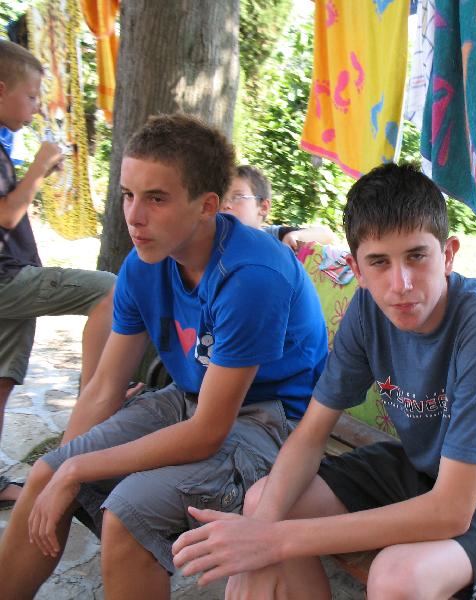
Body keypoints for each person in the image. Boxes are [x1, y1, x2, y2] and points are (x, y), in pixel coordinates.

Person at [172, 162, 476, 599]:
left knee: (396, 576)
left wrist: (272, 541)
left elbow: (451, 511)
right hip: (430, 469)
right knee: (264, 502)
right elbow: (310, 435)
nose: (400, 283)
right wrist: (257, 536)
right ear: (358, 269)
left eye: (416, 256)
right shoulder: (368, 312)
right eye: (379, 262)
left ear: (448, 254)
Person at [0, 113, 329, 599]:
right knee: (46, 474)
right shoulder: (143, 265)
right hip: (189, 397)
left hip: (273, 423)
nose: (134, 216)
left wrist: (78, 469)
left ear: (207, 205)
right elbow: (106, 387)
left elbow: (208, 431)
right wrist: (64, 466)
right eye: (128, 195)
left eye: (156, 198)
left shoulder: (251, 276)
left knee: (129, 513)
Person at [0, 40, 115, 507]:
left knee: (2, 380)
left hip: (12, 277)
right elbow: (7, 215)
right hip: (7, 280)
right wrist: (38, 167)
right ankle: (93, 406)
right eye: (30, 96)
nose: (34, 107)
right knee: (109, 289)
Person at [222, 164, 339, 251]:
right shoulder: (218, 244)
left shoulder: (275, 236)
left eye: (237, 197)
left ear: (263, 207)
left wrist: (296, 236)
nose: (225, 205)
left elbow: (327, 235)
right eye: (222, 198)